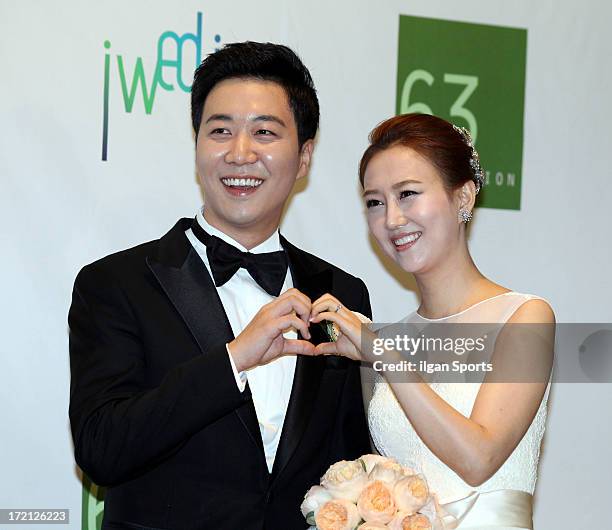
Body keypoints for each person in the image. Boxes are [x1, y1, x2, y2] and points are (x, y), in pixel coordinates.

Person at [68, 42, 371, 530]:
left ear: (304, 158)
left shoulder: (342, 294)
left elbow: (352, 466)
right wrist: (234, 360)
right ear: (197, 146)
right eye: (220, 130)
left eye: (265, 132)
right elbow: (102, 448)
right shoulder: (116, 285)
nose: (239, 152)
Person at [309, 113, 555, 529]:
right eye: (374, 202)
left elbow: (478, 459)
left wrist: (381, 353)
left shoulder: (525, 316)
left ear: (463, 198)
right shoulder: (383, 342)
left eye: (407, 194)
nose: (391, 219)